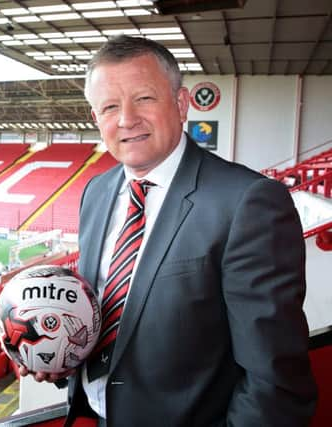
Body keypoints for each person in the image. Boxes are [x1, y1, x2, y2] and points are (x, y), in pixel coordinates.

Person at [23, 35, 317, 426]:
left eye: (144, 98)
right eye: (110, 106)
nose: (126, 119)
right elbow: (107, 322)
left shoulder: (249, 202)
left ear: (181, 104)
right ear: (96, 119)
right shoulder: (96, 192)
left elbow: (275, 382)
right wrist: (63, 360)